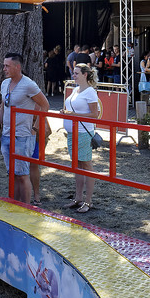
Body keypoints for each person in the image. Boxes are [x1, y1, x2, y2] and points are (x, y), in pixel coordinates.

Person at [0, 52, 50, 203]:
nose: (4, 68)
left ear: (17, 67)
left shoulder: (28, 84)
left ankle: (26, 207)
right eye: (4, 65)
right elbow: (4, 105)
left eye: (7, 66)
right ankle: (15, 205)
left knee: (22, 174)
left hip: (23, 136)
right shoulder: (5, 84)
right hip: (7, 135)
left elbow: (45, 105)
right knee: (13, 174)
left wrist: (35, 127)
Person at [63, 63, 101, 213]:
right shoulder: (75, 90)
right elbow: (72, 109)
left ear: (85, 74)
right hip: (73, 132)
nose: (74, 76)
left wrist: (74, 115)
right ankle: (78, 198)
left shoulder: (90, 91)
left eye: (77, 73)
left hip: (84, 132)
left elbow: (95, 114)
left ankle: (88, 201)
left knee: (86, 165)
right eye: (74, 73)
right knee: (78, 165)